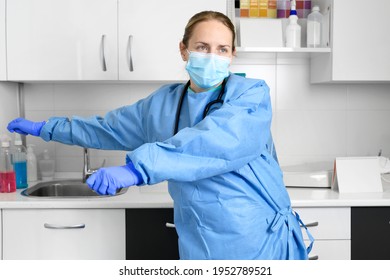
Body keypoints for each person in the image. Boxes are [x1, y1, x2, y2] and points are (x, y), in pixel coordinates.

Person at [7, 11, 312, 260]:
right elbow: (108, 128)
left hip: (256, 242)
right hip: (199, 242)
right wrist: (47, 128)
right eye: (202, 47)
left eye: (222, 49)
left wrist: (135, 169)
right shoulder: (164, 103)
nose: (212, 57)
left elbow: (217, 139)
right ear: (184, 49)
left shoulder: (251, 96)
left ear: (233, 55)